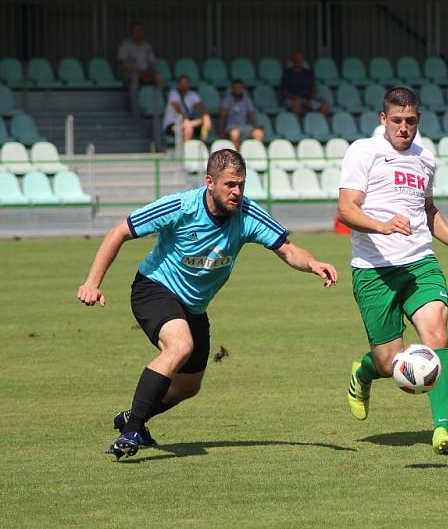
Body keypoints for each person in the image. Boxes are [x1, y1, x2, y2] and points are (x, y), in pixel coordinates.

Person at [77, 149, 338, 459]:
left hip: (194, 307)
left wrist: (313, 264)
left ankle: (132, 416)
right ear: (210, 182)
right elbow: (119, 231)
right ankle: (132, 432)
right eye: (230, 185)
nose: (237, 192)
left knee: (188, 387)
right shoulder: (182, 206)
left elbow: (289, 250)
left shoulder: (248, 214)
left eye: (241, 184)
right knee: (179, 347)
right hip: (155, 288)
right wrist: (92, 283)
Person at [337, 87, 448, 455]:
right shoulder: (363, 151)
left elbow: (429, 211)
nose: (404, 128)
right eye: (397, 121)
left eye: (411, 122)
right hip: (374, 271)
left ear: (418, 120)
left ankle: (441, 430)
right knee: (391, 364)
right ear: (383, 119)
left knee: (437, 334)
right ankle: (364, 371)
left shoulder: (426, 158)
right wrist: (382, 225)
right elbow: (346, 209)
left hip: (420, 263)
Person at [163, 75, 213, 142]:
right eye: (182, 84)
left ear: (189, 84)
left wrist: (205, 117)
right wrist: (188, 122)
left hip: (188, 123)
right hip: (172, 125)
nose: (184, 86)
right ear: (178, 85)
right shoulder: (173, 93)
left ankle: (204, 143)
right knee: (188, 128)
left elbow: (201, 108)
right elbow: (179, 111)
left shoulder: (193, 94)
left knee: (205, 118)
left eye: (186, 83)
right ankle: (186, 150)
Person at [280, 51, 330, 117]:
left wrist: (311, 99)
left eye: (300, 59)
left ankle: (320, 124)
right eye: (296, 59)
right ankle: (298, 125)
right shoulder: (287, 73)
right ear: (293, 60)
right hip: (292, 100)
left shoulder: (307, 73)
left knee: (325, 104)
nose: (298, 61)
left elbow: (314, 89)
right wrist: (296, 98)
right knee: (297, 104)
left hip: (307, 99)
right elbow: (284, 92)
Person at [117, 22, 164, 90]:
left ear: (142, 32)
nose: (137, 32)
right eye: (135, 30)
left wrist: (149, 72)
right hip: (130, 72)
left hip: (146, 72)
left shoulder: (147, 45)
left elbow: (152, 62)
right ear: (131, 32)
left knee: (159, 77)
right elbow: (124, 63)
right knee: (135, 76)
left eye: (139, 31)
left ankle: (158, 100)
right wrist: (140, 73)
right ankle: (134, 101)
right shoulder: (125, 44)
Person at [218, 79, 264, 149]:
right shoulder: (227, 99)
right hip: (232, 127)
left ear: (243, 89)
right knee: (235, 134)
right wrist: (221, 132)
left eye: (240, 88)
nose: (238, 90)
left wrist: (254, 126)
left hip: (245, 126)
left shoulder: (247, 99)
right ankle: (238, 156)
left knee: (259, 133)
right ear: (232, 89)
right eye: (236, 88)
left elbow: (251, 114)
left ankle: (254, 154)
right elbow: (223, 116)